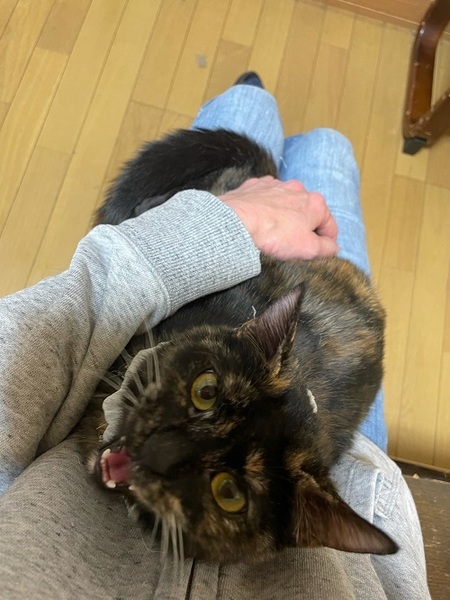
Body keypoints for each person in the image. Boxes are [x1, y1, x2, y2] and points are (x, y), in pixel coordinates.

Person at [0, 74, 430, 599]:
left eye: (228, 493)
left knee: (273, 132)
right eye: (205, 394)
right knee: (328, 154)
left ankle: (253, 96)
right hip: (348, 416)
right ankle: (262, 104)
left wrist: (223, 221)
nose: (159, 450)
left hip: (299, 337)